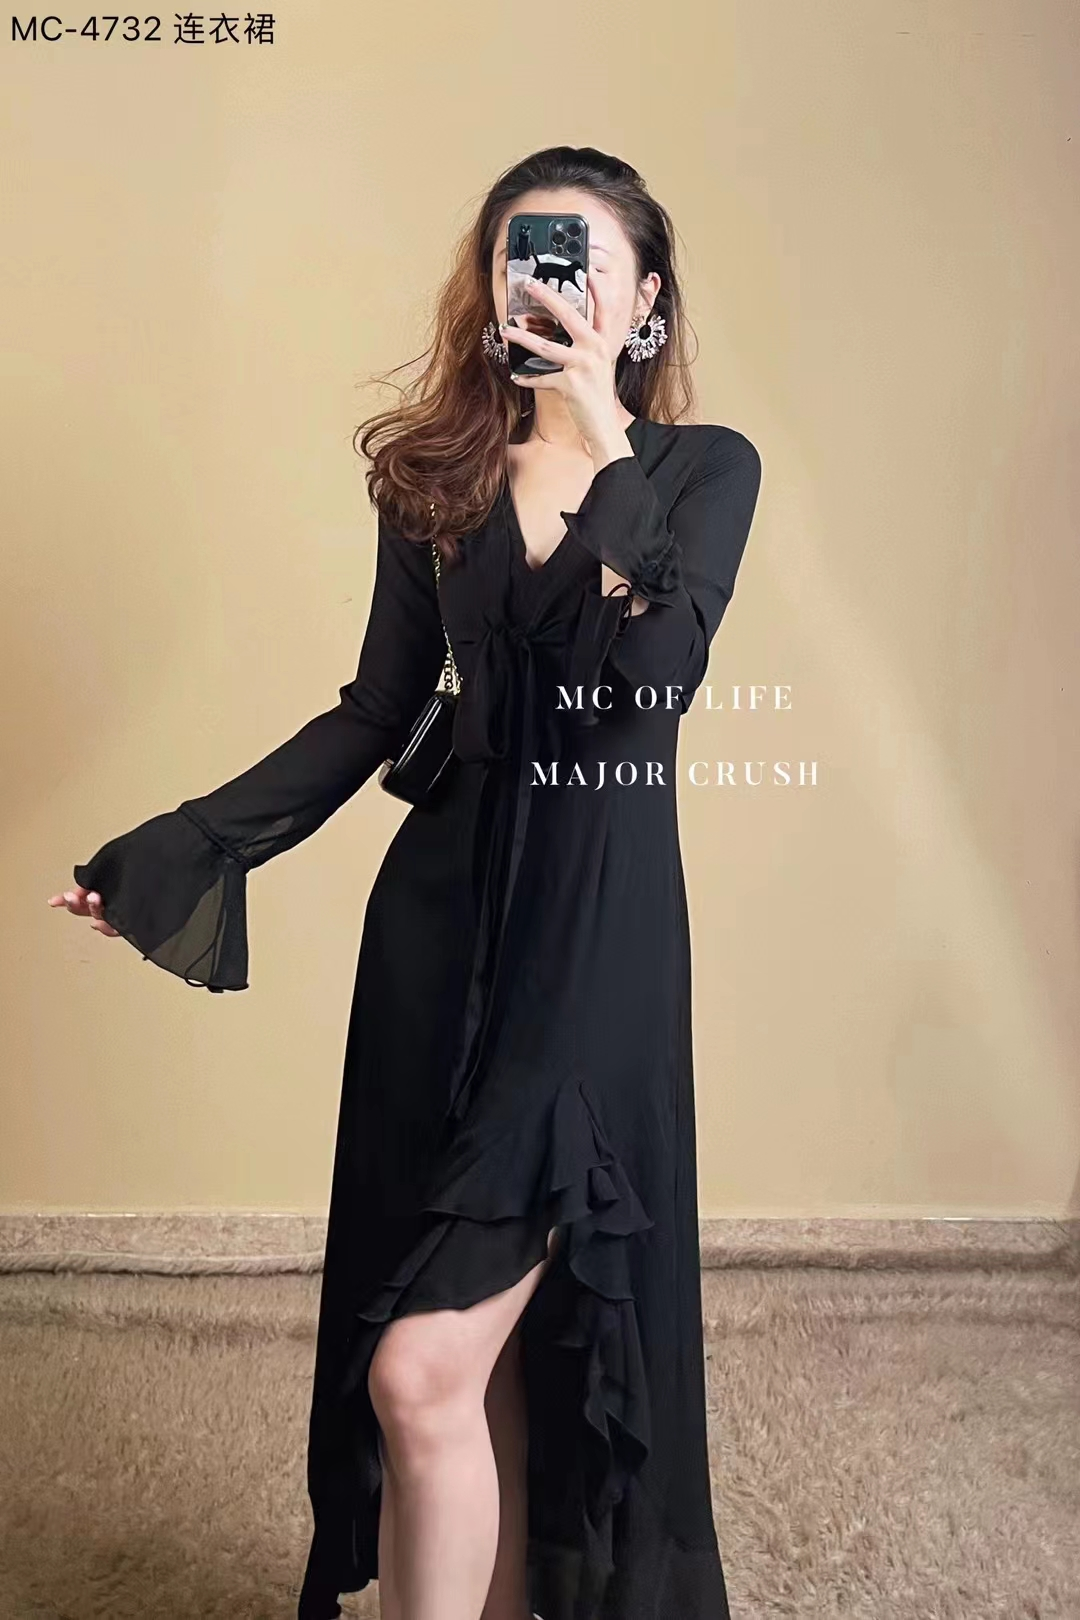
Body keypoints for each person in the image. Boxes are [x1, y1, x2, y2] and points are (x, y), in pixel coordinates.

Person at [49, 144, 762, 1620]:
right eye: (518, 256)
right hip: (436, 932)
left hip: (595, 935)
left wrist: (598, 431)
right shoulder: (439, 482)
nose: (542, 283)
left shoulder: (702, 471)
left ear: (644, 299)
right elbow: (379, 709)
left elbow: (658, 680)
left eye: (576, 260)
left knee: (419, 1368)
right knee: (469, 1373)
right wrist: (190, 847)